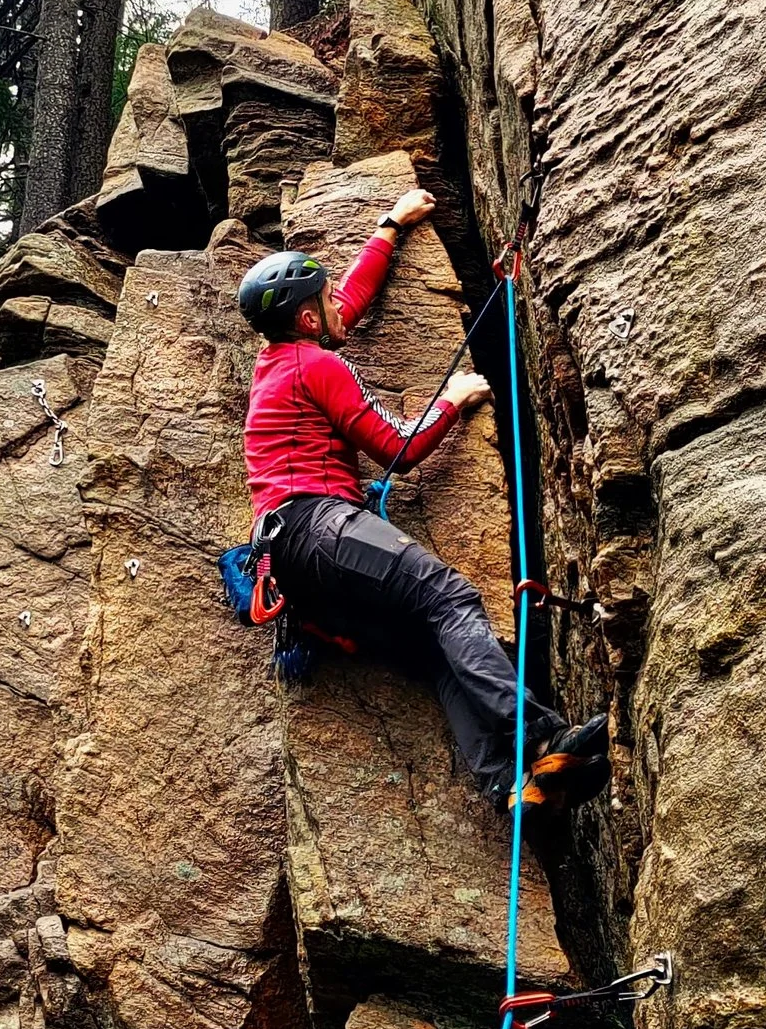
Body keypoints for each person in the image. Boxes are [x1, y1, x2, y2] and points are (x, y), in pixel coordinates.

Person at [239, 185, 609, 812]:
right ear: (306, 319)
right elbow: (398, 451)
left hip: (294, 573)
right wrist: (453, 400)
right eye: (321, 300)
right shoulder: (317, 368)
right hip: (318, 527)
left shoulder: (280, 363)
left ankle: (510, 783)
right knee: (449, 597)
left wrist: (390, 228)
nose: (335, 306)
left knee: (437, 648)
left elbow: (345, 306)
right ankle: (539, 730)